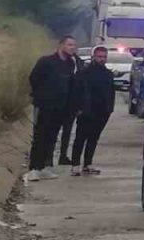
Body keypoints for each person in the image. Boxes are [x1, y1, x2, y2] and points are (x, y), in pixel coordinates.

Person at [25, 36, 79, 181]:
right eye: (69, 45)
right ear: (61, 45)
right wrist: (41, 96)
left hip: (61, 107)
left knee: (52, 137)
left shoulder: (70, 64)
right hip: (44, 106)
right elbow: (34, 78)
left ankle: (44, 166)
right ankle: (33, 168)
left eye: (74, 45)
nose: (72, 48)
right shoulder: (46, 61)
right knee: (40, 136)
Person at [70, 46, 116, 176]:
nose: (102, 59)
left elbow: (111, 93)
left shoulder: (108, 74)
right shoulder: (83, 74)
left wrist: (109, 109)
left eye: (104, 57)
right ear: (93, 57)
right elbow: (76, 92)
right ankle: (75, 164)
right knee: (80, 137)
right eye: (99, 56)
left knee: (94, 138)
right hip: (86, 111)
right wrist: (78, 109)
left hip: (102, 112)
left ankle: (88, 163)